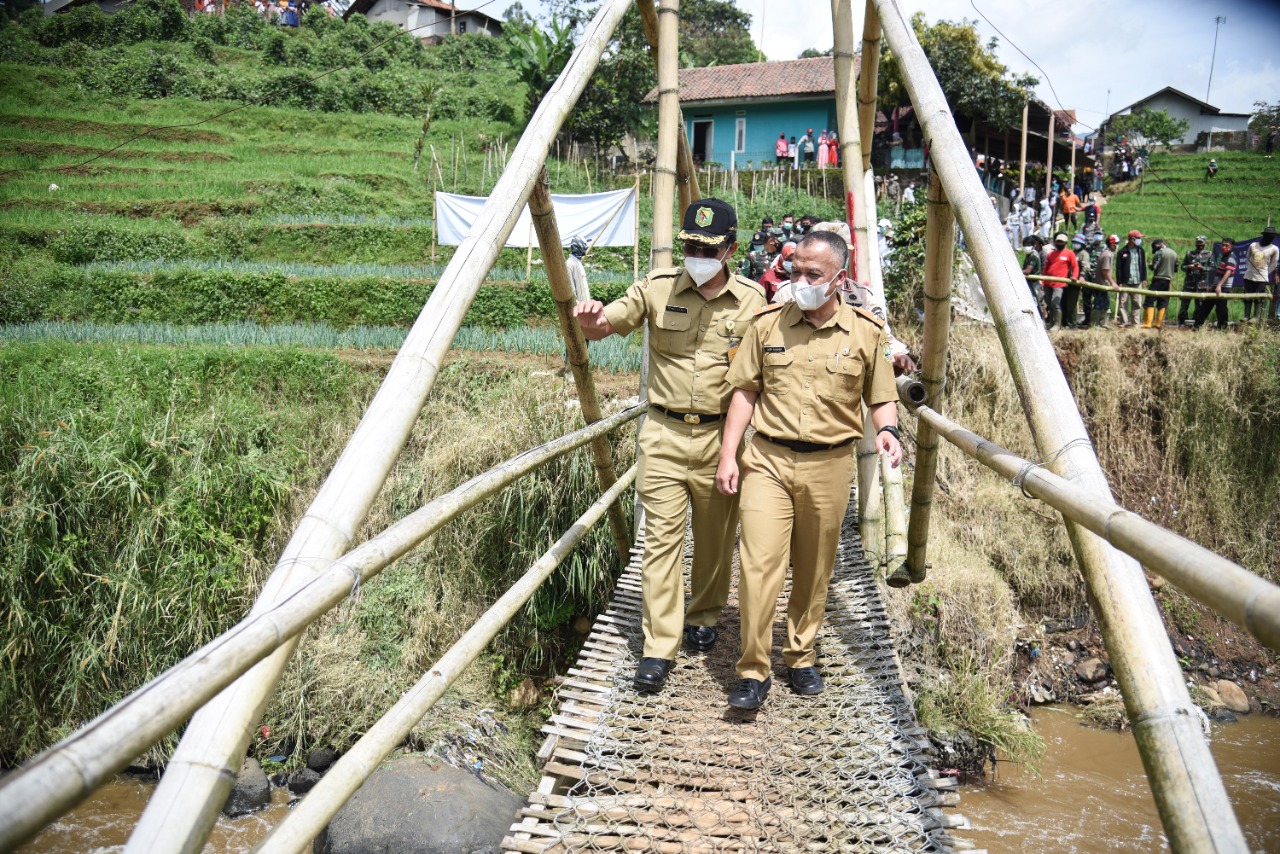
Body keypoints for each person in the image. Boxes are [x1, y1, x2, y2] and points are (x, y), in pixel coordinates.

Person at [573, 199, 766, 692]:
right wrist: (590, 317)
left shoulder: (752, 301)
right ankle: (659, 646)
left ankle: (704, 613)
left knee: (715, 535)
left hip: (723, 436)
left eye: (708, 247)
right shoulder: (657, 288)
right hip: (662, 432)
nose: (698, 253)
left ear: (731, 249)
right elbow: (601, 327)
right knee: (660, 539)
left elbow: (766, 373)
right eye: (691, 246)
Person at [714, 230, 902, 710]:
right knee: (757, 567)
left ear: (839, 279)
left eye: (811, 274)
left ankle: (800, 656)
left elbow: (881, 395)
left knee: (816, 568)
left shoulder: (866, 331)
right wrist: (728, 453)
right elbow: (745, 392)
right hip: (768, 460)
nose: (799, 280)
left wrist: (888, 431)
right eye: (795, 270)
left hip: (830, 464)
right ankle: (753, 671)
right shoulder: (766, 324)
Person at [1193, 238, 1238, 330]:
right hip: (1216, 287)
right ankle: (1197, 326)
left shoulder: (1231, 257)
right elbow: (1219, 273)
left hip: (1223, 288)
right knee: (1205, 306)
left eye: (1227, 245)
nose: (1224, 247)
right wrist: (1213, 286)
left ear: (1232, 246)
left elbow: (1228, 272)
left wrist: (1219, 285)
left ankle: (1222, 328)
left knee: (1221, 308)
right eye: (1223, 245)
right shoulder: (1223, 256)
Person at [1241, 225, 1279, 322]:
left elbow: (1273, 264)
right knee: (1247, 296)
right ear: (1264, 235)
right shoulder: (1253, 245)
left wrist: (1265, 272)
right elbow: (1248, 258)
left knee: (1259, 297)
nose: (1270, 238)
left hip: (1262, 277)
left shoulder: (1274, 249)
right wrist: (1250, 269)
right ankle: (1246, 315)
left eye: (1272, 237)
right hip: (1249, 275)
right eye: (1268, 236)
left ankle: (1256, 316)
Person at [1043, 232, 1079, 330]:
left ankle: (1057, 324)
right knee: (1049, 304)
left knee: (1056, 302)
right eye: (1058, 241)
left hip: (1059, 283)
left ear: (1065, 243)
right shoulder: (1051, 254)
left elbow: (1075, 266)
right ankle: (1051, 322)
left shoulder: (1069, 253)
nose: (1059, 243)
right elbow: (1046, 268)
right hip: (1048, 282)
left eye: (1061, 242)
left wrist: (1075, 276)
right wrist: (1043, 281)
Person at [1141, 238, 1178, 329]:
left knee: (1149, 300)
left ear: (1157, 246)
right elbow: (1176, 269)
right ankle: (1158, 323)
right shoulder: (1174, 253)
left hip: (1158, 279)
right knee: (1163, 302)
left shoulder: (1159, 253)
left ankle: (1148, 323)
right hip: (1168, 280)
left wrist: (1149, 265)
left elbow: (1154, 267)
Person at [1178, 235, 1212, 326]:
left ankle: (1197, 322)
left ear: (1205, 243)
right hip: (1189, 282)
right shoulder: (1189, 254)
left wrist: (1202, 268)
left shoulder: (1209, 254)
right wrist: (1189, 267)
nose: (1199, 244)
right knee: (1185, 302)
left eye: (1201, 243)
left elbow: (1212, 268)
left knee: (1200, 304)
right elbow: (1182, 266)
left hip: (1202, 283)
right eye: (1197, 243)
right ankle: (1182, 321)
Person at [1115, 230, 1147, 327]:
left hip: (1137, 281)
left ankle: (1135, 322)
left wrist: (1144, 278)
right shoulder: (1122, 252)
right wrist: (1119, 281)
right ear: (1132, 239)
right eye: (1138, 238)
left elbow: (1143, 266)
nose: (1140, 240)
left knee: (1137, 302)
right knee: (1123, 302)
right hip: (1125, 281)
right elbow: (1118, 268)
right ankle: (1124, 321)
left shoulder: (1141, 251)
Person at [1063, 233, 1090, 328]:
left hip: (1075, 282)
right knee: (1064, 302)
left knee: (1072, 304)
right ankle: (1065, 322)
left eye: (1077, 242)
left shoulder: (1084, 254)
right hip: (1067, 281)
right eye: (1074, 242)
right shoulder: (1071, 252)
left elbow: (1086, 266)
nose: (1075, 244)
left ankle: (1072, 323)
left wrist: (1082, 276)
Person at [1022, 234, 1045, 317]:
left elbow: (1028, 271)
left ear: (1033, 245)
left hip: (1035, 283)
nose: (1026, 247)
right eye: (1025, 245)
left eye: (1028, 245)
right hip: (1030, 282)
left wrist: (1017, 272)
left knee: (1036, 302)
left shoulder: (1033, 255)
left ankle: (1041, 320)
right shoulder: (1028, 255)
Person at [566, 236, 591, 305]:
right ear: (579, 246)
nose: (586, 247)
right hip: (579, 309)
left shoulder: (578, 263)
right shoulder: (570, 264)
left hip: (585, 307)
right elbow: (571, 290)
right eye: (585, 244)